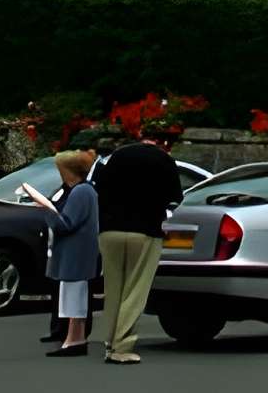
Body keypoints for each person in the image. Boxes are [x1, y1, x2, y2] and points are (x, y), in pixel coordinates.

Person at [91, 127, 184, 366]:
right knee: (135, 290)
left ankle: (109, 341)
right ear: (161, 141)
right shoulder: (164, 160)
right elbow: (176, 197)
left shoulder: (116, 157)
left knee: (113, 288)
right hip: (145, 230)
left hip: (110, 230)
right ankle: (122, 346)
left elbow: (97, 189)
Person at [22, 149, 100, 357]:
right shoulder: (84, 190)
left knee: (74, 296)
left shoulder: (81, 192)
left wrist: (45, 209)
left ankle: (75, 340)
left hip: (75, 254)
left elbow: (66, 224)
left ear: (69, 171)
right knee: (72, 296)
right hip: (76, 253)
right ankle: (73, 338)